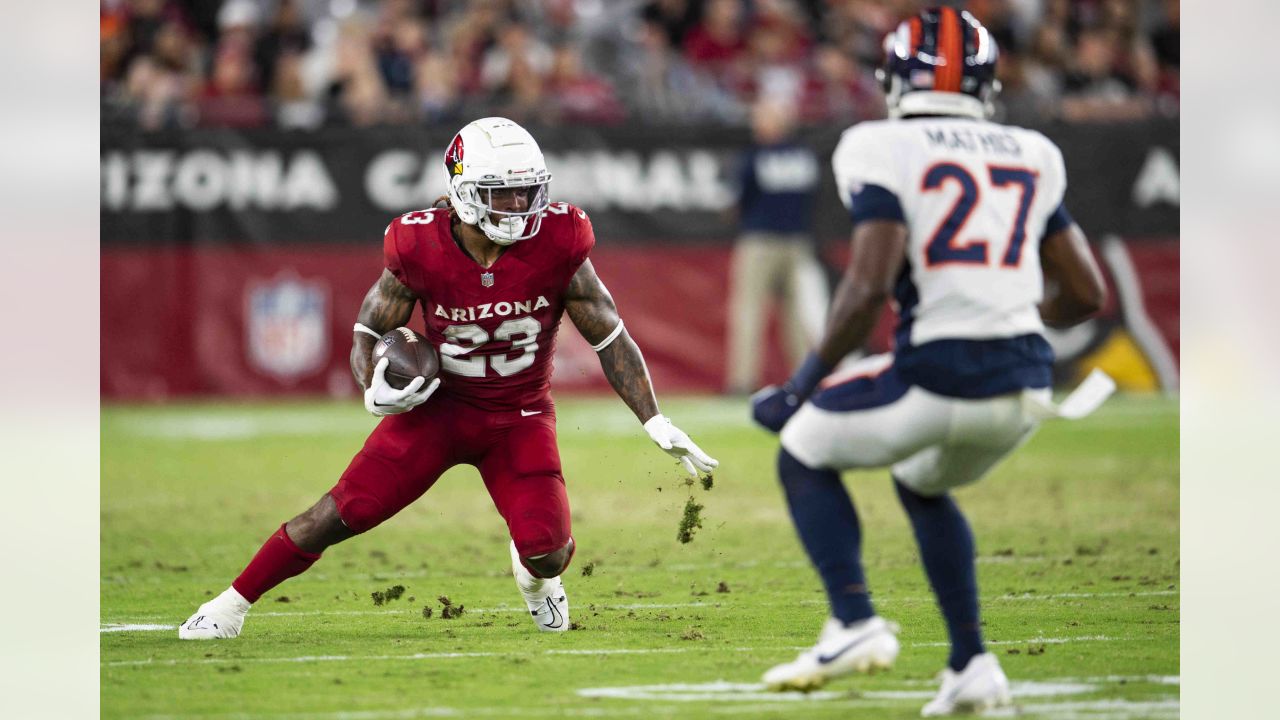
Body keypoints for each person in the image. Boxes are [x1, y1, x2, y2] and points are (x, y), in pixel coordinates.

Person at [179, 117, 718, 639]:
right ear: (462, 191)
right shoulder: (418, 245)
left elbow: (610, 336)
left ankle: (535, 580)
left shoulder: (560, 241)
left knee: (548, 549)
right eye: (501, 193)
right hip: (437, 413)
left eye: (527, 191)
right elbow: (369, 328)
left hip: (520, 417)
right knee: (343, 511)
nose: (518, 206)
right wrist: (374, 386)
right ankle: (228, 606)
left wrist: (653, 418)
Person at [750, 8, 1109, 716]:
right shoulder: (1031, 150)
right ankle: (970, 664)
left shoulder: (876, 145)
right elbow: (1086, 294)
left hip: (940, 375)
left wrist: (798, 386)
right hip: (1026, 385)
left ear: (892, 80)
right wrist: (1004, 315)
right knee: (921, 482)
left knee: (801, 449)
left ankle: (852, 622)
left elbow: (868, 286)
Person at [725, 99, 827, 395]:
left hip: (760, 241)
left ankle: (742, 381)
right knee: (798, 316)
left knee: (749, 311)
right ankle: (804, 379)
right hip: (798, 241)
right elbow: (814, 199)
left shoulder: (754, 157)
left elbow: (736, 202)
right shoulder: (805, 156)